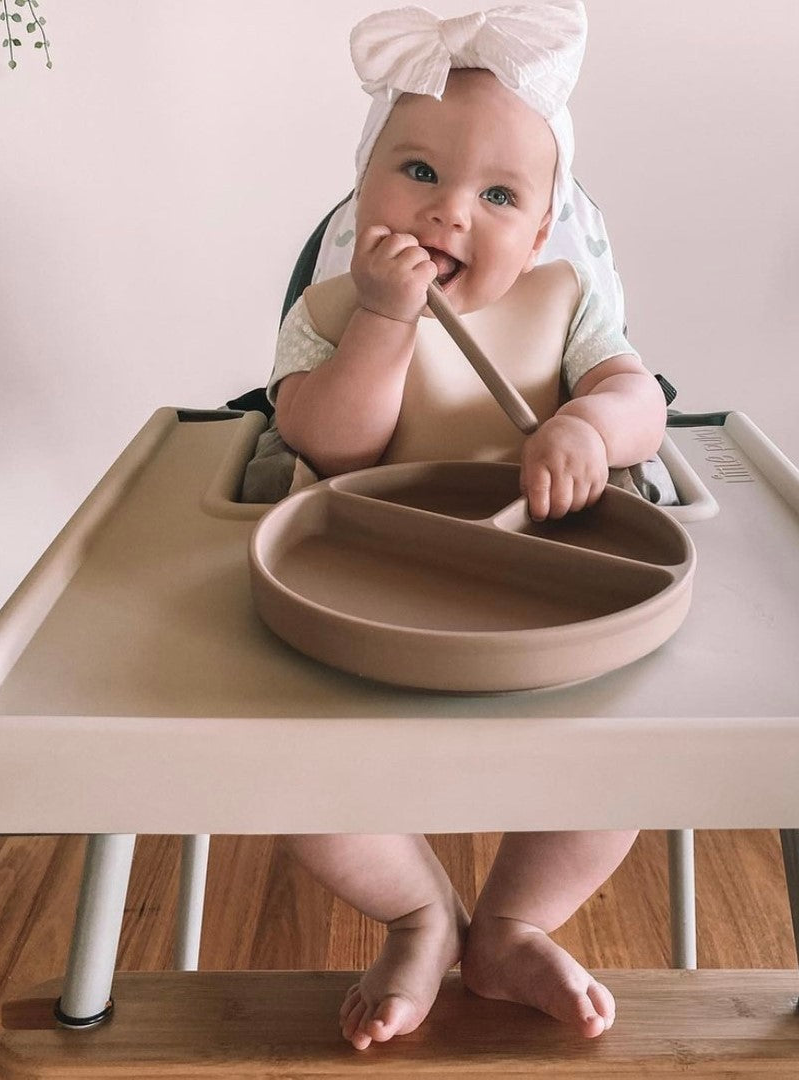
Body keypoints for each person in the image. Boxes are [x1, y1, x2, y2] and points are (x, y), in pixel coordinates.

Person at [264, 0, 667, 1051]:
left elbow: (644, 400)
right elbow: (333, 442)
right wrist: (384, 324)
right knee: (284, 772)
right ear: (362, 194)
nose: (451, 214)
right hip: (367, 579)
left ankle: (514, 925)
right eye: (419, 174)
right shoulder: (331, 311)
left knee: (623, 764)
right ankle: (417, 911)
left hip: (542, 578)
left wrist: (589, 420)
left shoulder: (565, 300)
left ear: (541, 230)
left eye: (497, 195)